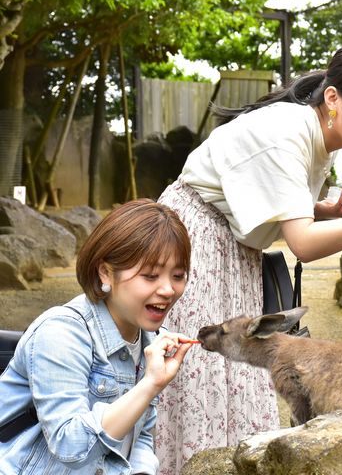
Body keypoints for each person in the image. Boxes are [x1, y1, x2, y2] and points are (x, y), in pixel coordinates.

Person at [155, 41, 342, 473]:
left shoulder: (324, 139)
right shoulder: (288, 132)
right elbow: (304, 244)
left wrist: (324, 209)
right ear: (333, 98)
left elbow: (278, 205)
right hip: (193, 242)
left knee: (239, 372)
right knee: (203, 370)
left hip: (234, 248)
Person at [0, 199, 196, 474]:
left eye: (178, 275)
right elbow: (71, 448)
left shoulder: (150, 341)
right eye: (150, 276)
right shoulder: (60, 333)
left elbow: (138, 437)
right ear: (105, 272)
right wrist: (150, 384)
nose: (168, 289)